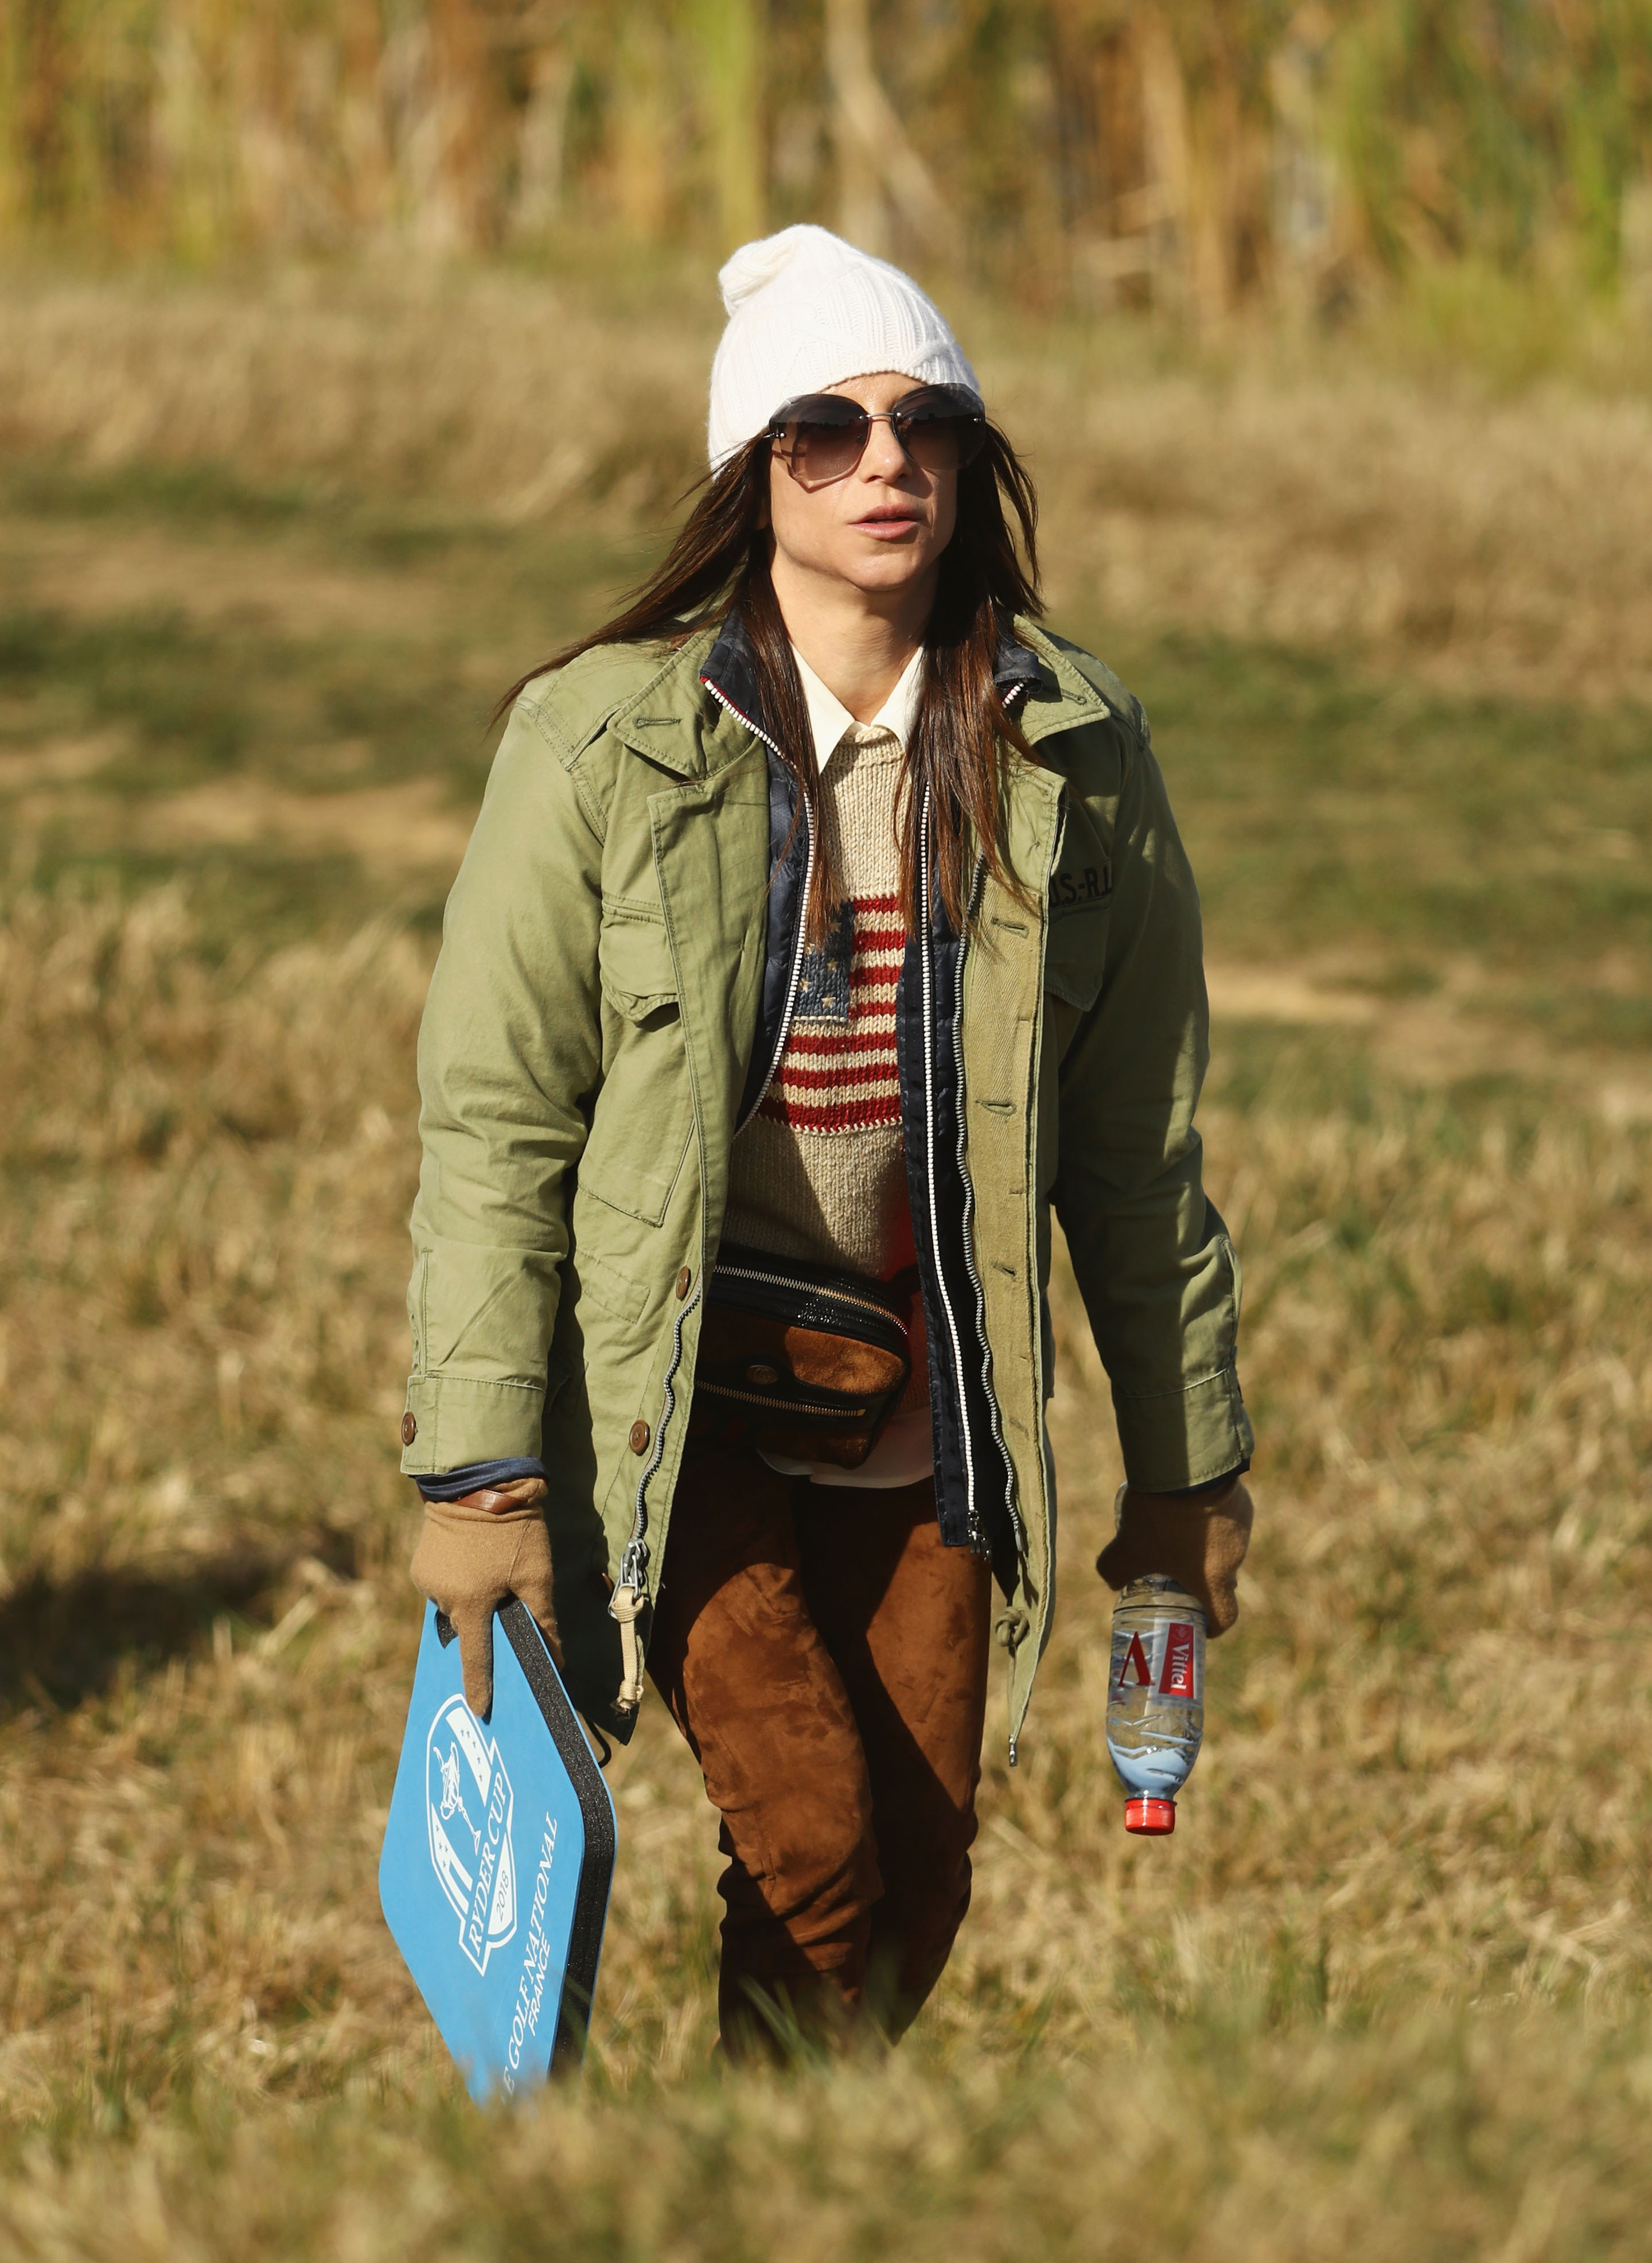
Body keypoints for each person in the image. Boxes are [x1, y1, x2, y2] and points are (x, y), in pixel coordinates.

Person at [400, 225, 1254, 2058]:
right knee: (818, 1851)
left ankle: (764, 2194)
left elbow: (1134, 1153)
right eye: (825, 430)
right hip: (680, 1398)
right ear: (750, 474)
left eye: (927, 424)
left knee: (916, 1888)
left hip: (921, 1400)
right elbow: (491, 1130)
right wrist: (477, 1482)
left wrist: (1185, 1481)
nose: (887, 465)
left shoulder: (1074, 751)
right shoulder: (596, 749)